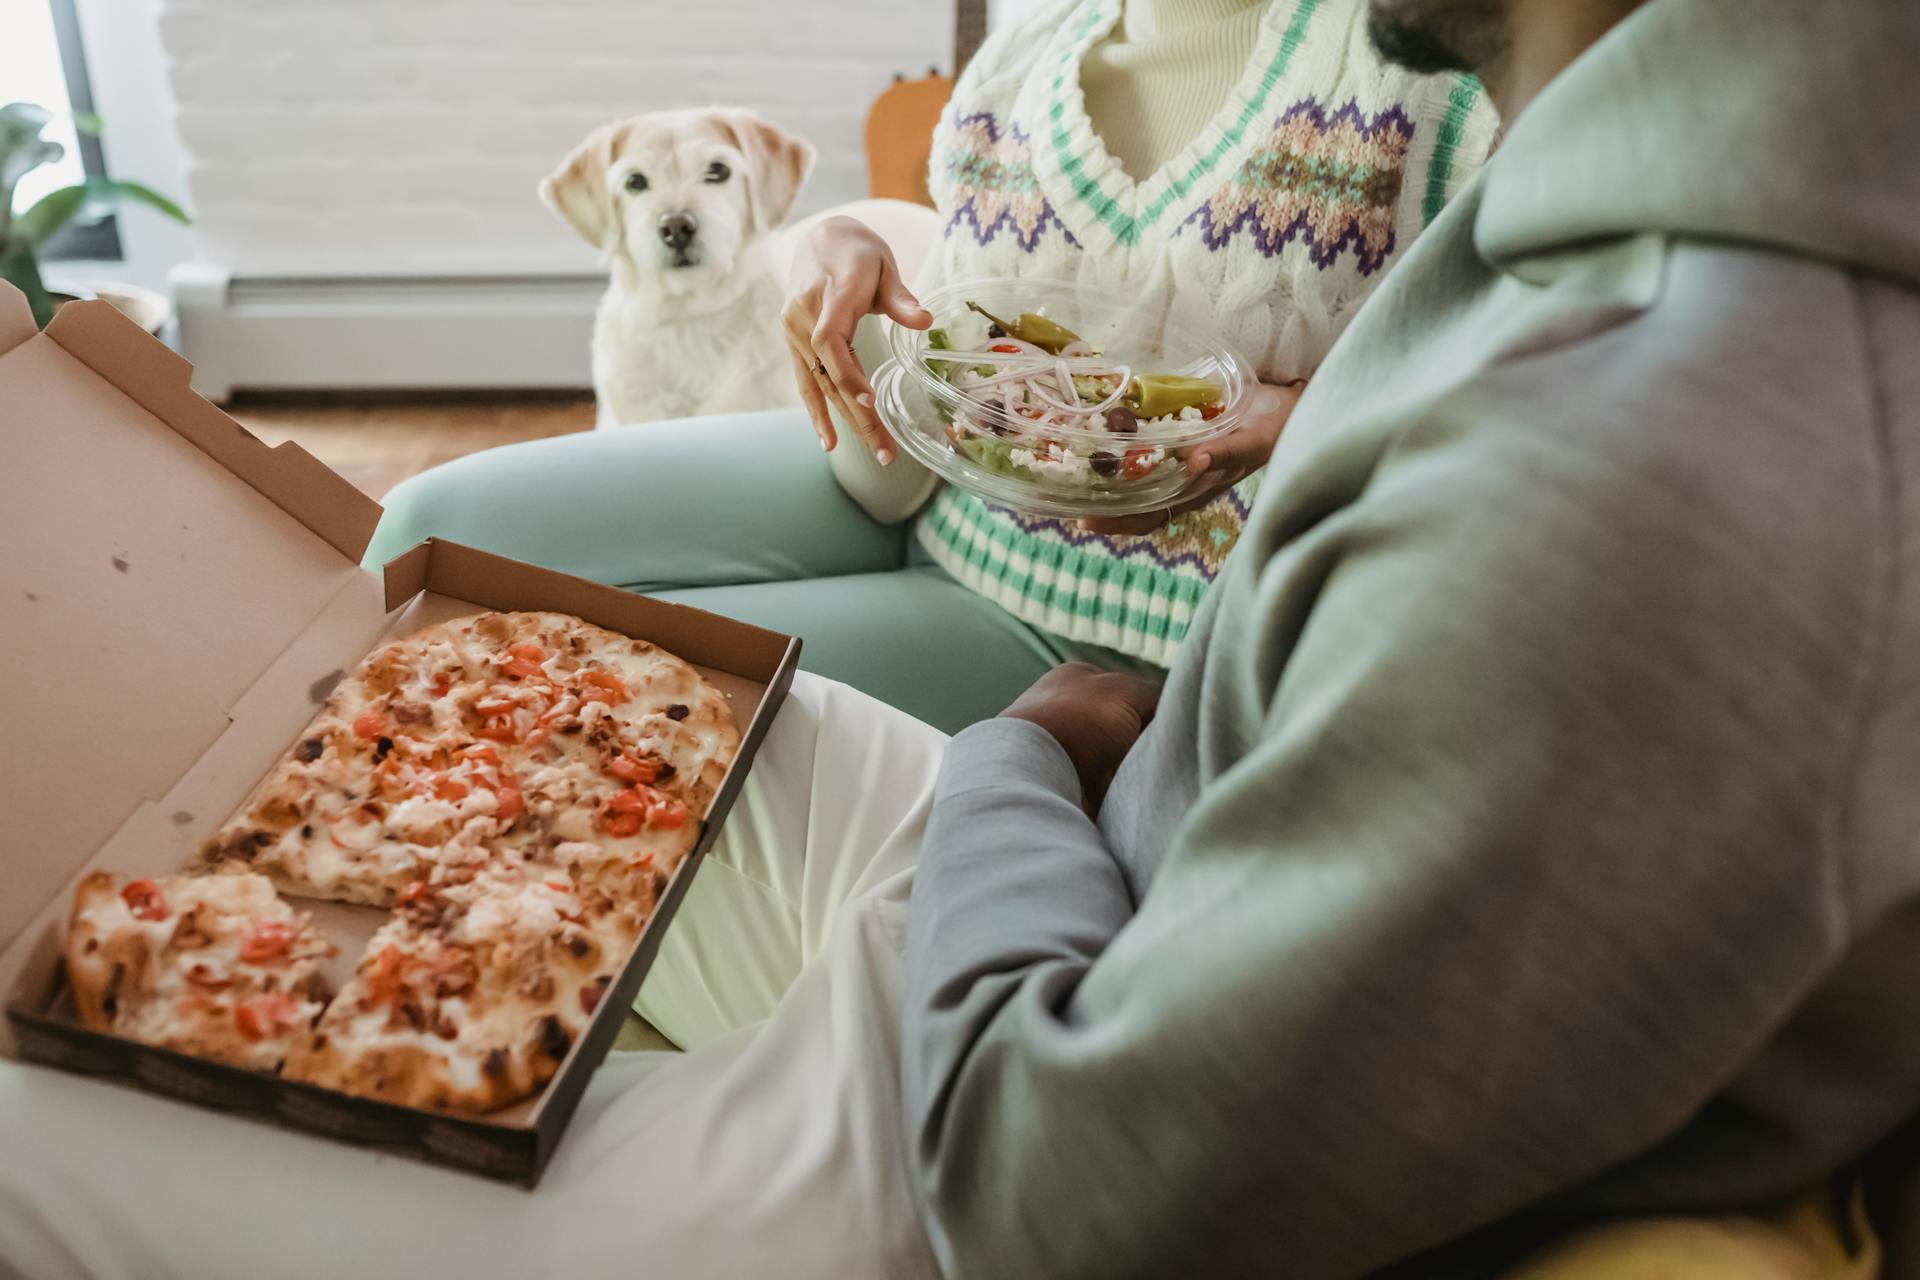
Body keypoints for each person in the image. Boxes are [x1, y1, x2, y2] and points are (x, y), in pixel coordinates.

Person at [3, 0, 1914, 1276]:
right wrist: (888, 260)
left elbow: (1050, 1198)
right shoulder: (1617, 186)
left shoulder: (1656, 471)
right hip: (1099, 849)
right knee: (438, 664)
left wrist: (1039, 740)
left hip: (981, 1098)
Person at [364, 0, 1500, 733]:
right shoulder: (1021, 54)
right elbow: (970, 302)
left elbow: (1556, 391)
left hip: (1130, 639)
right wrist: (851, 237)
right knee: (431, 528)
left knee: (588, 704)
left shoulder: (1435, 70)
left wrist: (1314, 418)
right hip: (920, 497)